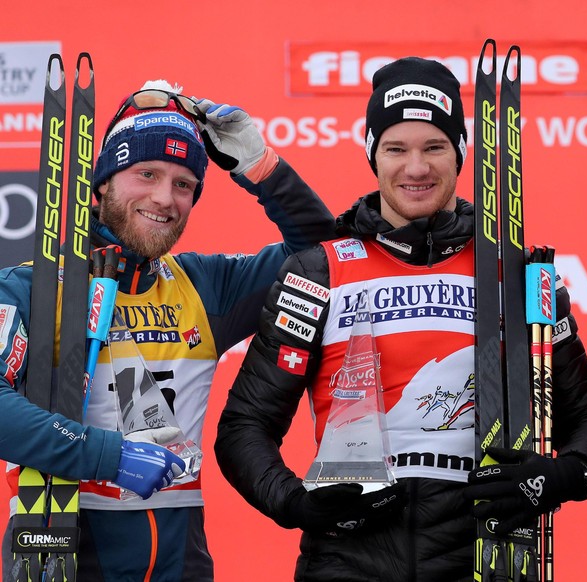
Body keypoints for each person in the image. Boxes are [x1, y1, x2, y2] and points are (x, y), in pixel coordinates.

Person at [214, 56, 587, 581]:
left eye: (434, 147)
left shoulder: (515, 272)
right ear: (372, 156)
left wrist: (558, 478)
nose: (416, 168)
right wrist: (293, 504)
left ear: (461, 154)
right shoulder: (320, 271)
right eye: (396, 148)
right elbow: (245, 426)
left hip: (483, 553)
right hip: (346, 560)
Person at [0, 80, 336, 581]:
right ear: (101, 187)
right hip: (67, 554)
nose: (165, 198)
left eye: (184, 184)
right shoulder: (29, 287)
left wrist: (262, 168)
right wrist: (110, 457)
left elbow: (322, 255)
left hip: (183, 563)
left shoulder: (205, 285)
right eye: (147, 173)